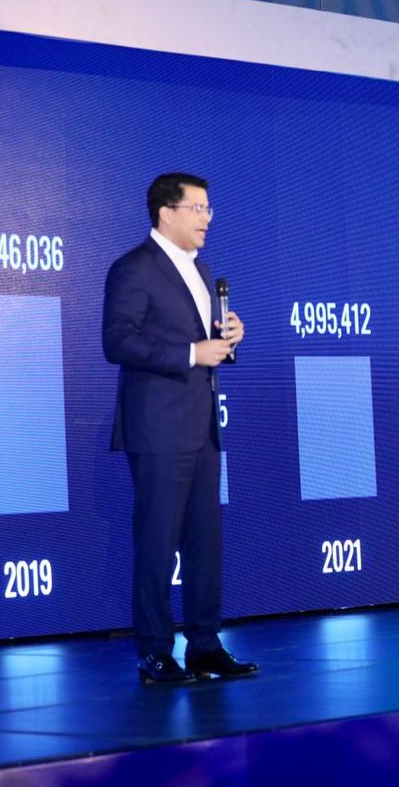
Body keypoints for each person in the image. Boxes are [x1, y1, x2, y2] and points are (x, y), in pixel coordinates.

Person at [103, 172, 257, 684]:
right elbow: (117, 342)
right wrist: (192, 352)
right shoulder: (134, 268)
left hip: (201, 426)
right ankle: (154, 652)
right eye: (198, 208)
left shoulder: (202, 270)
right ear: (166, 213)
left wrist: (227, 337)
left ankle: (205, 646)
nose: (207, 218)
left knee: (204, 543)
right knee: (157, 542)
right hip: (157, 430)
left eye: (209, 208)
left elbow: (204, 343)